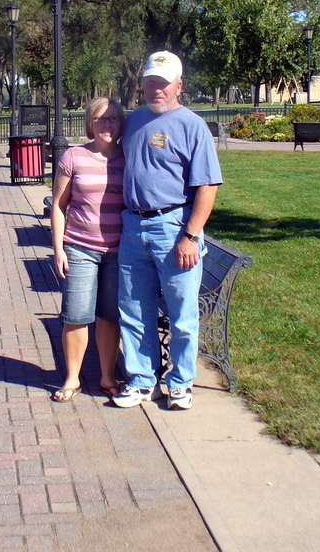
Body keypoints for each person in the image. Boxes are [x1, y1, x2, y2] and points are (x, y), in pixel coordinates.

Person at [113, 51, 223, 411]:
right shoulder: (133, 122)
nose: (155, 90)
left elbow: (208, 185)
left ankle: (180, 383)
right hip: (133, 225)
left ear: (179, 86)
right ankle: (142, 380)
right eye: (150, 83)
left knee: (182, 313)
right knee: (133, 309)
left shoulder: (192, 125)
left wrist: (190, 235)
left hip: (174, 227)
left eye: (162, 84)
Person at [49, 97, 126, 402]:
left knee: (109, 316)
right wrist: (59, 249)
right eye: (101, 119)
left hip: (120, 252)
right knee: (76, 315)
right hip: (80, 248)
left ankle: (108, 378)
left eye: (114, 118)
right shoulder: (73, 157)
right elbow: (57, 205)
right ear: (90, 124)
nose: (108, 125)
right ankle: (72, 379)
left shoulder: (129, 156)